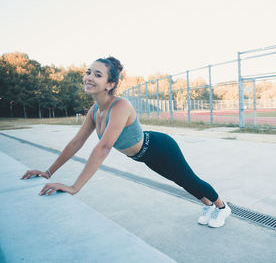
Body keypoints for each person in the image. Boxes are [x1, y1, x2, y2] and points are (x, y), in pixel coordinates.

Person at [21, 57, 231, 228]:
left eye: (97, 74)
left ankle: (222, 208)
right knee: (181, 181)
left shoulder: (120, 105)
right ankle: (207, 206)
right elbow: (76, 142)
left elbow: (103, 148)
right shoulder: (95, 111)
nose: (89, 77)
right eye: (88, 72)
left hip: (161, 148)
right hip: (145, 156)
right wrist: (49, 172)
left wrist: (75, 187)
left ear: (110, 84)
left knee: (190, 179)